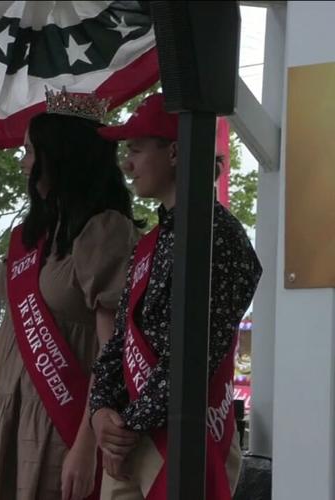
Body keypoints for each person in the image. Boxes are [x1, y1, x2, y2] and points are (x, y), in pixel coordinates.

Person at [0, 89, 142, 500]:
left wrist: (86, 444)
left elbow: (113, 350)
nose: (23, 163)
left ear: (59, 155)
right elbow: (7, 336)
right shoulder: (29, 237)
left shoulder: (104, 231)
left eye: (29, 151)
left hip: (64, 419)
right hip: (10, 413)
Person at [89, 94, 262, 500]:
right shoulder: (149, 241)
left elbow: (196, 354)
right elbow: (119, 342)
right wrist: (101, 411)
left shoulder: (219, 236)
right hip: (133, 436)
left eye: (134, 149)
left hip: (182, 438)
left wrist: (126, 425)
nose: (126, 164)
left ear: (175, 152)